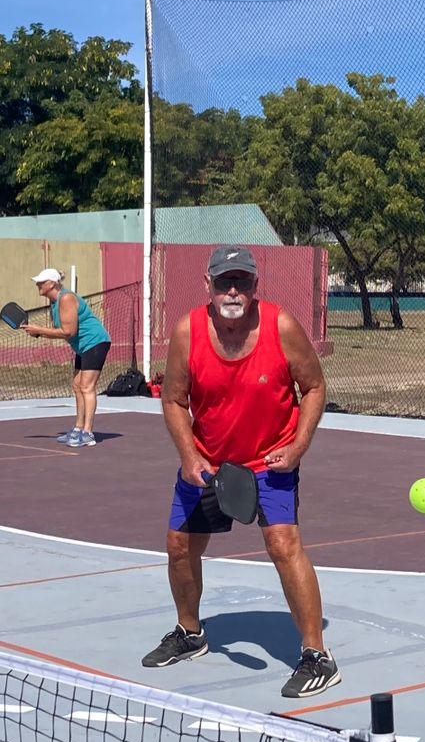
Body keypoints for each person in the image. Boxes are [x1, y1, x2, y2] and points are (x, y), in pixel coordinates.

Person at [142, 246, 338, 699]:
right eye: (224, 282)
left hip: (271, 460)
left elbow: (314, 387)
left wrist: (297, 446)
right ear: (207, 286)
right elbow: (173, 400)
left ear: (255, 287)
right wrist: (190, 456)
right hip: (209, 462)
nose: (233, 290)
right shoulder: (188, 331)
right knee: (179, 547)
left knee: (283, 544)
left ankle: (317, 656)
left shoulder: (280, 326)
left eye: (242, 282)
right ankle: (190, 633)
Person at [21, 267, 111, 446]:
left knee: (87, 387)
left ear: (52, 284)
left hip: (95, 342)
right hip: (82, 346)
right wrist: (39, 333)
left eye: (41, 282)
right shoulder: (54, 302)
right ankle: (78, 429)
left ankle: (88, 433)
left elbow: (69, 331)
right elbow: (63, 331)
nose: (38, 284)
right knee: (77, 386)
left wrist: (40, 330)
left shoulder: (67, 298)